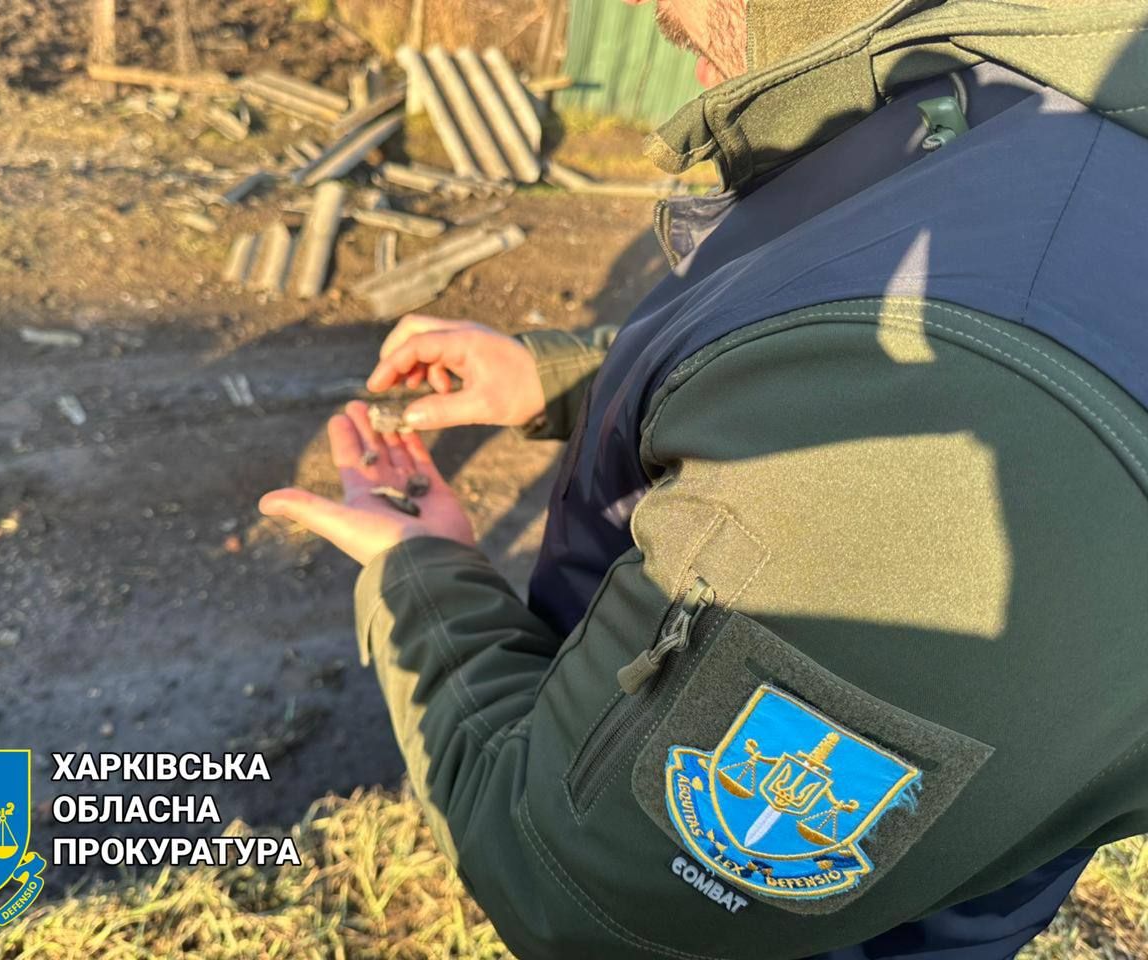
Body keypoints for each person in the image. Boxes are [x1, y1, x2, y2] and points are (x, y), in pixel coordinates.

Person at [259, 0, 1148, 956]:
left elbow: (582, 891)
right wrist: (572, 379)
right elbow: (851, 331)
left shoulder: (986, 416)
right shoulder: (1007, 102)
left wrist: (420, 572)